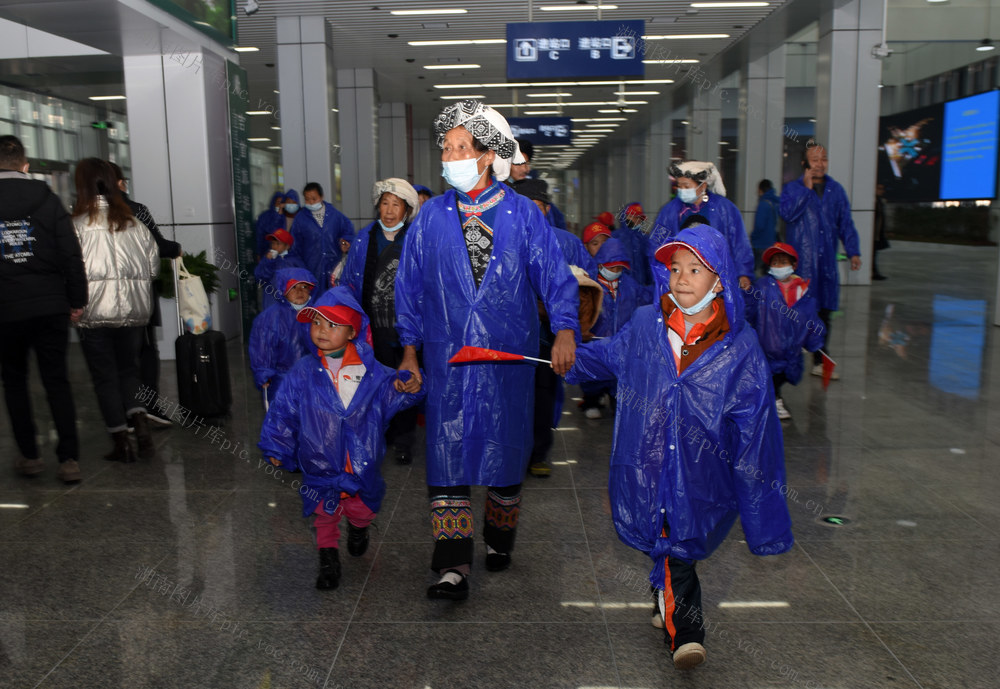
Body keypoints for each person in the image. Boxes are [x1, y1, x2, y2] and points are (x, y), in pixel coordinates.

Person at [566, 225, 793, 671]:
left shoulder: (740, 348)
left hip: (703, 471)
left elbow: (758, 433)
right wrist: (566, 354)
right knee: (669, 540)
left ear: (720, 279)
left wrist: (765, 518)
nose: (682, 278)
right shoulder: (645, 327)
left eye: (695, 269)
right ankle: (687, 632)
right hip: (648, 461)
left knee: (679, 541)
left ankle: (666, 597)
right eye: (674, 268)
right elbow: (607, 356)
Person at [395, 100, 579, 600]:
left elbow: (554, 276)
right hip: (447, 355)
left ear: (484, 156)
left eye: (459, 147)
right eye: (445, 148)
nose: (449, 156)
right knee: (446, 454)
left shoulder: (523, 214)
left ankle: (499, 536)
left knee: (505, 450)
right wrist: (409, 351)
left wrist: (565, 329)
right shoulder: (429, 217)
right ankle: (452, 565)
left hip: (508, 356)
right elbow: (408, 287)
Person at [259, 287, 424, 590]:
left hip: (360, 463)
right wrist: (276, 444)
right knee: (324, 514)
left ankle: (359, 529)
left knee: (363, 509)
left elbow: (394, 394)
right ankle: (328, 561)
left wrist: (406, 387)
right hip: (319, 463)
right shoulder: (303, 371)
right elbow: (283, 410)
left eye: (332, 324)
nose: (321, 330)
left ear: (352, 332)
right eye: (317, 323)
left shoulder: (371, 372)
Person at [0, 135, 88, 483]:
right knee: (56, 380)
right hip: (50, 303)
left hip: (5, 308)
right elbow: (70, 253)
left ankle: (30, 456)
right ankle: (68, 460)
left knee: (14, 381)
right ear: (25, 165)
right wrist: (76, 299)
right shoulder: (48, 199)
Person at [72, 158, 159, 464]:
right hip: (135, 313)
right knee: (128, 371)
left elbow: (70, 270)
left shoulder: (77, 225)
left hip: (93, 314)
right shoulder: (134, 223)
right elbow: (153, 266)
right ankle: (141, 426)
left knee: (104, 377)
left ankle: (121, 441)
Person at [340, 177, 421, 465]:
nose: (388, 210)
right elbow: (350, 283)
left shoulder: (415, 239)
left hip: (407, 329)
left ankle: (404, 439)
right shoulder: (363, 239)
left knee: (408, 382)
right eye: (384, 203)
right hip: (372, 328)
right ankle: (381, 434)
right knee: (377, 385)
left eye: (395, 205)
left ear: (407, 209)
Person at [779, 141, 861, 378]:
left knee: (825, 312)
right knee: (798, 311)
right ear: (805, 163)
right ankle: (789, 359)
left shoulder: (836, 190)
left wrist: (853, 251)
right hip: (801, 263)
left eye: (823, 159)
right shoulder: (792, 189)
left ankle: (820, 358)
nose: (819, 164)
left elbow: (845, 223)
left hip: (826, 264)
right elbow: (787, 214)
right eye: (814, 160)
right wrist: (805, 190)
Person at [110, 162, 182, 429]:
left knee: (117, 358)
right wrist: (176, 248)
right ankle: (149, 407)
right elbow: (157, 247)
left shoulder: (87, 214)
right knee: (145, 351)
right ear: (119, 182)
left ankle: (124, 412)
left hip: (105, 302)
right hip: (139, 295)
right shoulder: (136, 210)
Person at [745, 243, 824, 421]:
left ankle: (771, 397)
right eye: (775, 263)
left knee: (786, 373)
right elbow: (749, 310)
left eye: (783, 262)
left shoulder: (803, 290)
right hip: (768, 344)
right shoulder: (762, 287)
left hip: (791, 347)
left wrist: (815, 342)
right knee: (771, 374)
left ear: (793, 265)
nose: (779, 266)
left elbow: (811, 317)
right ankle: (775, 399)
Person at [650, 161, 754, 290]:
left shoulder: (724, 209)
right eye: (679, 186)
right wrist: (665, 278)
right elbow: (656, 245)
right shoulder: (670, 211)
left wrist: (743, 273)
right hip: (682, 276)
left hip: (718, 278)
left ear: (703, 186)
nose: (682, 190)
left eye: (686, 186)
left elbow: (739, 243)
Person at [580, 238, 653, 419]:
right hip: (594, 340)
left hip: (620, 341)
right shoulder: (589, 283)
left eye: (619, 268)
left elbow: (646, 297)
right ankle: (592, 400)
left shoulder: (629, 284)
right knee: (593, 373)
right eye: (612, 267)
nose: (615, 271)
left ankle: (615, 400)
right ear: (601, 263)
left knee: (618, 375)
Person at [249, 267, 316, 407]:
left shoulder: (318, 314)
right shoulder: (270, 318)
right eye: (293, 287)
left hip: (314, 379)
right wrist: (263, 372)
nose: (300, 291)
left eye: (304, 286)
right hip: (281, 380)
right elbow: (261, 347)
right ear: (283, 291)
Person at [511, 178, 595, 276]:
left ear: (547, 209)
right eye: (525, 208)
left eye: (537, 208)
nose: (531, 214)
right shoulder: (507, 243)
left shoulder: (569, 243)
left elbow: (590, 279)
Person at [290, 182, 354, 290]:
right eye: (307, 199)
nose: (310, 203)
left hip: (333, 268)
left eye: (314, 199)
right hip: (311, 269)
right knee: (314, 301)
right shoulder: (300, 219)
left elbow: (348, 232)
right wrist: (300, 270)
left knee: (332, 300)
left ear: (322, 197)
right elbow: (295, 247)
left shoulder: (335, 216)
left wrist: (346, 242)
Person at [508, 138, 567, 229]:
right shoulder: (497, 193)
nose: (526, 169)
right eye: (519, 164)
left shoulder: (537, 195)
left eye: (527, 164)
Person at [612, 202, 653, 286]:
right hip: (620, 286)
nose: (636, 220)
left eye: (638, 217)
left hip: (640, 286)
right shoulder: (615, 237)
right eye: (632, 216)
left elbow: (649, 265)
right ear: (624, 217)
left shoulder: (644, 239)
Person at [750, 179, 780, 275]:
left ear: (760, 190)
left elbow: (759, 226)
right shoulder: (775, 203)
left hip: (761, 244)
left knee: (753, 272)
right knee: (768, 272)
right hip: (771, 243)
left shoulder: (763, 204)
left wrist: (753, 237)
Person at [255, 191, 285, 261]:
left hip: (283, 252)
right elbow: (259, 236)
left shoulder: (287, 216)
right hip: (266, 251)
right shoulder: (265, 216)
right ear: (274, 203)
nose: (280, 205)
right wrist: (258, 253)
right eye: (278, 202)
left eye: (282, 203)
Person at [872, 183, 888, 280]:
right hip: (874, 234)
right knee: (872, 254)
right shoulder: (874, 202)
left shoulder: (879, 202)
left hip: (877, 234)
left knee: (874, 254)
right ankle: (874, 272)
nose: (881, 191)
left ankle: (874, 272)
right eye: (879, 188)